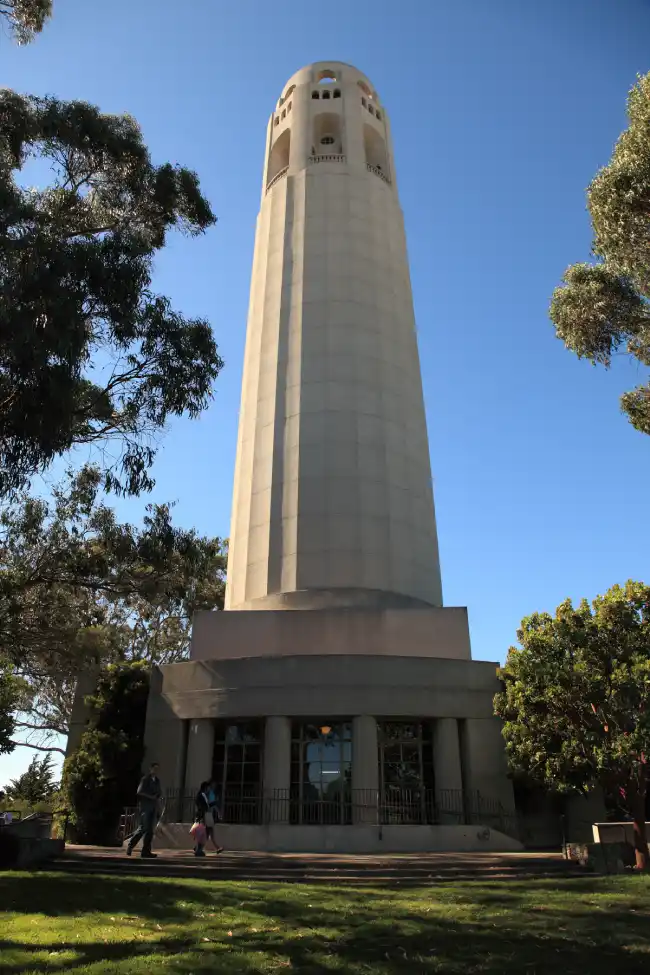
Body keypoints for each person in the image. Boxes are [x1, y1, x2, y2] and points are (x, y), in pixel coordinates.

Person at [126, 762, 162, 858]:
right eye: (154, 769)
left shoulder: (157, 781)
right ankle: (130, 845)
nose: (156, 771)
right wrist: (150, 797)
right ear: (150, 769)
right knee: (143, 828)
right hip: (145, 807)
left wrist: (158, 807)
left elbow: (158, 794)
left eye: (157, 769)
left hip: (153, 807)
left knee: (150, 830)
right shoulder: (145, 779)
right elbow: (139, 791)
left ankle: (146, 851)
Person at [194, 781, 223, 856]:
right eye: (208, 787)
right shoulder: (202, 795)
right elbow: (206, 805)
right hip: (206, 815)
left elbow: (204, 805)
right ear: (205, 788)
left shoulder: (200, 795)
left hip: (205, 815)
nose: (209, 789)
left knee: (206, 833)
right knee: (206, 832)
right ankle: (199, 849)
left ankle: (199, 848)